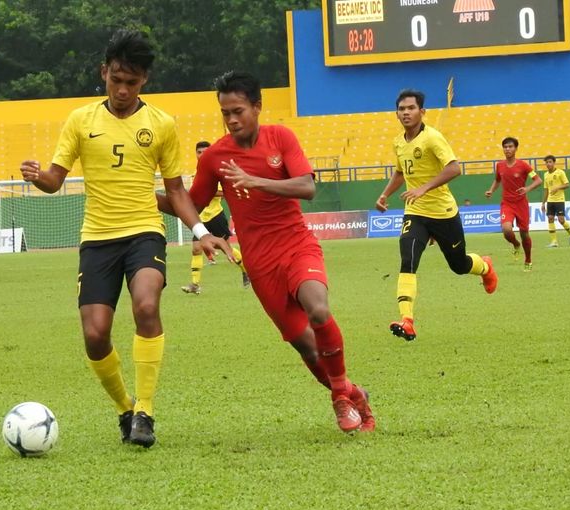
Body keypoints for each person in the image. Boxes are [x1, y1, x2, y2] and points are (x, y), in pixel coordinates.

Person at [19, 30, 231, 448]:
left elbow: (174, 191)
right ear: (104, 72)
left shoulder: (161, 124)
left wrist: (201, 231)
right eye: (115, 79)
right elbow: (55, 180)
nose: (121, 89)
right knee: (96, 334)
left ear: (144, 82)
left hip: (143, 233)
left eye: (131, 82)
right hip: (97, 238)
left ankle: (146, 413)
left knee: (146, 304)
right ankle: (125, 408)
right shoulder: (81, 120)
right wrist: (38, 176)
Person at [159, 71, 374, 433]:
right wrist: (144, 195)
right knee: (307, 348)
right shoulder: (214, 157)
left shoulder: (281, 137)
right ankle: (356, 395)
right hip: (260, 265)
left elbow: (307, 187)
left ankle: (340, 397)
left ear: (257, 107)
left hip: (296, 245)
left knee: (318, 309)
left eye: (238, 110)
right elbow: (191, 203)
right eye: (225, 112)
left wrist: (256, 180)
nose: (231, 119)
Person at [375, 89, 498, 343]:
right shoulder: (398, 142)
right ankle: (407, 320)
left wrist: (423, 188)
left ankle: (485, 266)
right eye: (401, 109)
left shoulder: (433, 138)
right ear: (396, 113)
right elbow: (400, 172)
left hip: (443, 213)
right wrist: (385, 194)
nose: (406, 112)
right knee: (407, 260)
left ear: (422, 111)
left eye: (411, 108)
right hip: (416, 213)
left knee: (459, 265)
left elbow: (454, 168)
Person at [181, 140, 250, 294]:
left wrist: (203, 192)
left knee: (227, 249)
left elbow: (222, 192)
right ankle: (195, 284)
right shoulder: (195, 173)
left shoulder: (216, 170)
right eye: (199, 152)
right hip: (201, 217)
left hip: (215, 216)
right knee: (196, 249)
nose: (202, 155)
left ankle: (246, 271)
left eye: (205, 151)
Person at [485, 137, 542, 271]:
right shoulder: (500, 165)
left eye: (510, 146)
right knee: (506, 230)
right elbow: (497, 180)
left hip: (521, 204)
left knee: (524, 234)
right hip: (507, 203)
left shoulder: (523, 165)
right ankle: (516, 244)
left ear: (516, 148)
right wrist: (491, 190)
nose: (507, 149)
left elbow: (538, 180)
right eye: (505, 147)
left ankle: (528, 260)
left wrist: (527, 189)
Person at [540, 155, 570, 247]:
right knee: (550, 218)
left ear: (554, 163)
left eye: (550, 162)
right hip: (550, 201)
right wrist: (543, 203)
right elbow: (546, 190)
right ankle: (554, 241)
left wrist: (557, 187)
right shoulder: (545, 175)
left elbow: (567, 185)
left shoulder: (560, 172)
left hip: (559, 200)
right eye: (546, 162)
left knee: (561, 220)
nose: (548, 164)